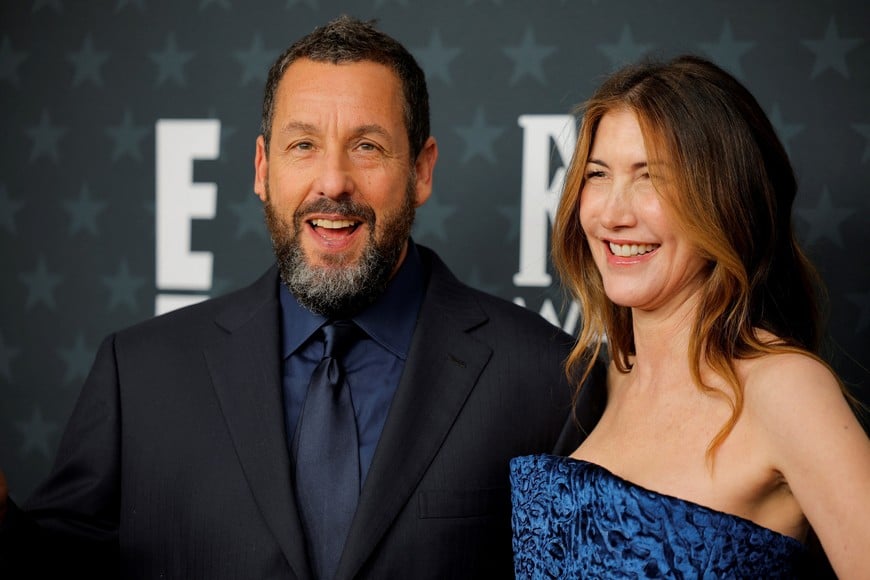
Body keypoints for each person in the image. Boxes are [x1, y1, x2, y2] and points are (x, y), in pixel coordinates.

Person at [0, 16, 588, 579]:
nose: (333, 182)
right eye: (302, 145)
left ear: (422, 171)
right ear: (262, 168)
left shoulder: (544, 378)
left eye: (367, 146)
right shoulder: (139, 375)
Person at [510, 55, 870, 579]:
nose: (613, 213)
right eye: (598, 174)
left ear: (726, 200)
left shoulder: (785, 389)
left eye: (650, 177)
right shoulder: (596, 384)